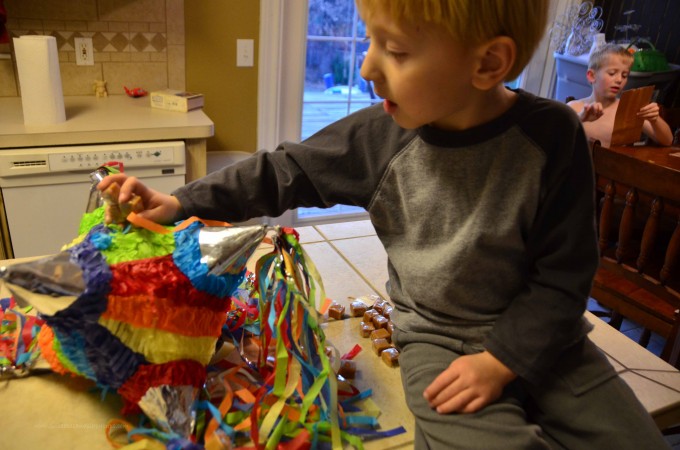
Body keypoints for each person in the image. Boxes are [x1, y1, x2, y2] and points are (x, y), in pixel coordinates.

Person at [99, 1, 670, 448]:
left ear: (488, 63)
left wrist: (503, 362)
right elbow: (282, 171)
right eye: (370, 39)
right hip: (437, 338)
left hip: (550, 338)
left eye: (394, 50)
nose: (368, 65)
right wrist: (180, 202)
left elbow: (565, 276)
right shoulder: (378, 136)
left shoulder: (553, 137)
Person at [568, 43, 673, 147]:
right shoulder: (573, 108)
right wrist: (581, 119)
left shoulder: (629, 110)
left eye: (624, 75)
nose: (619, 80)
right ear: (592, 76)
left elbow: (667, 141)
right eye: (612, 73)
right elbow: (555, 138)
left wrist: (655, 120)